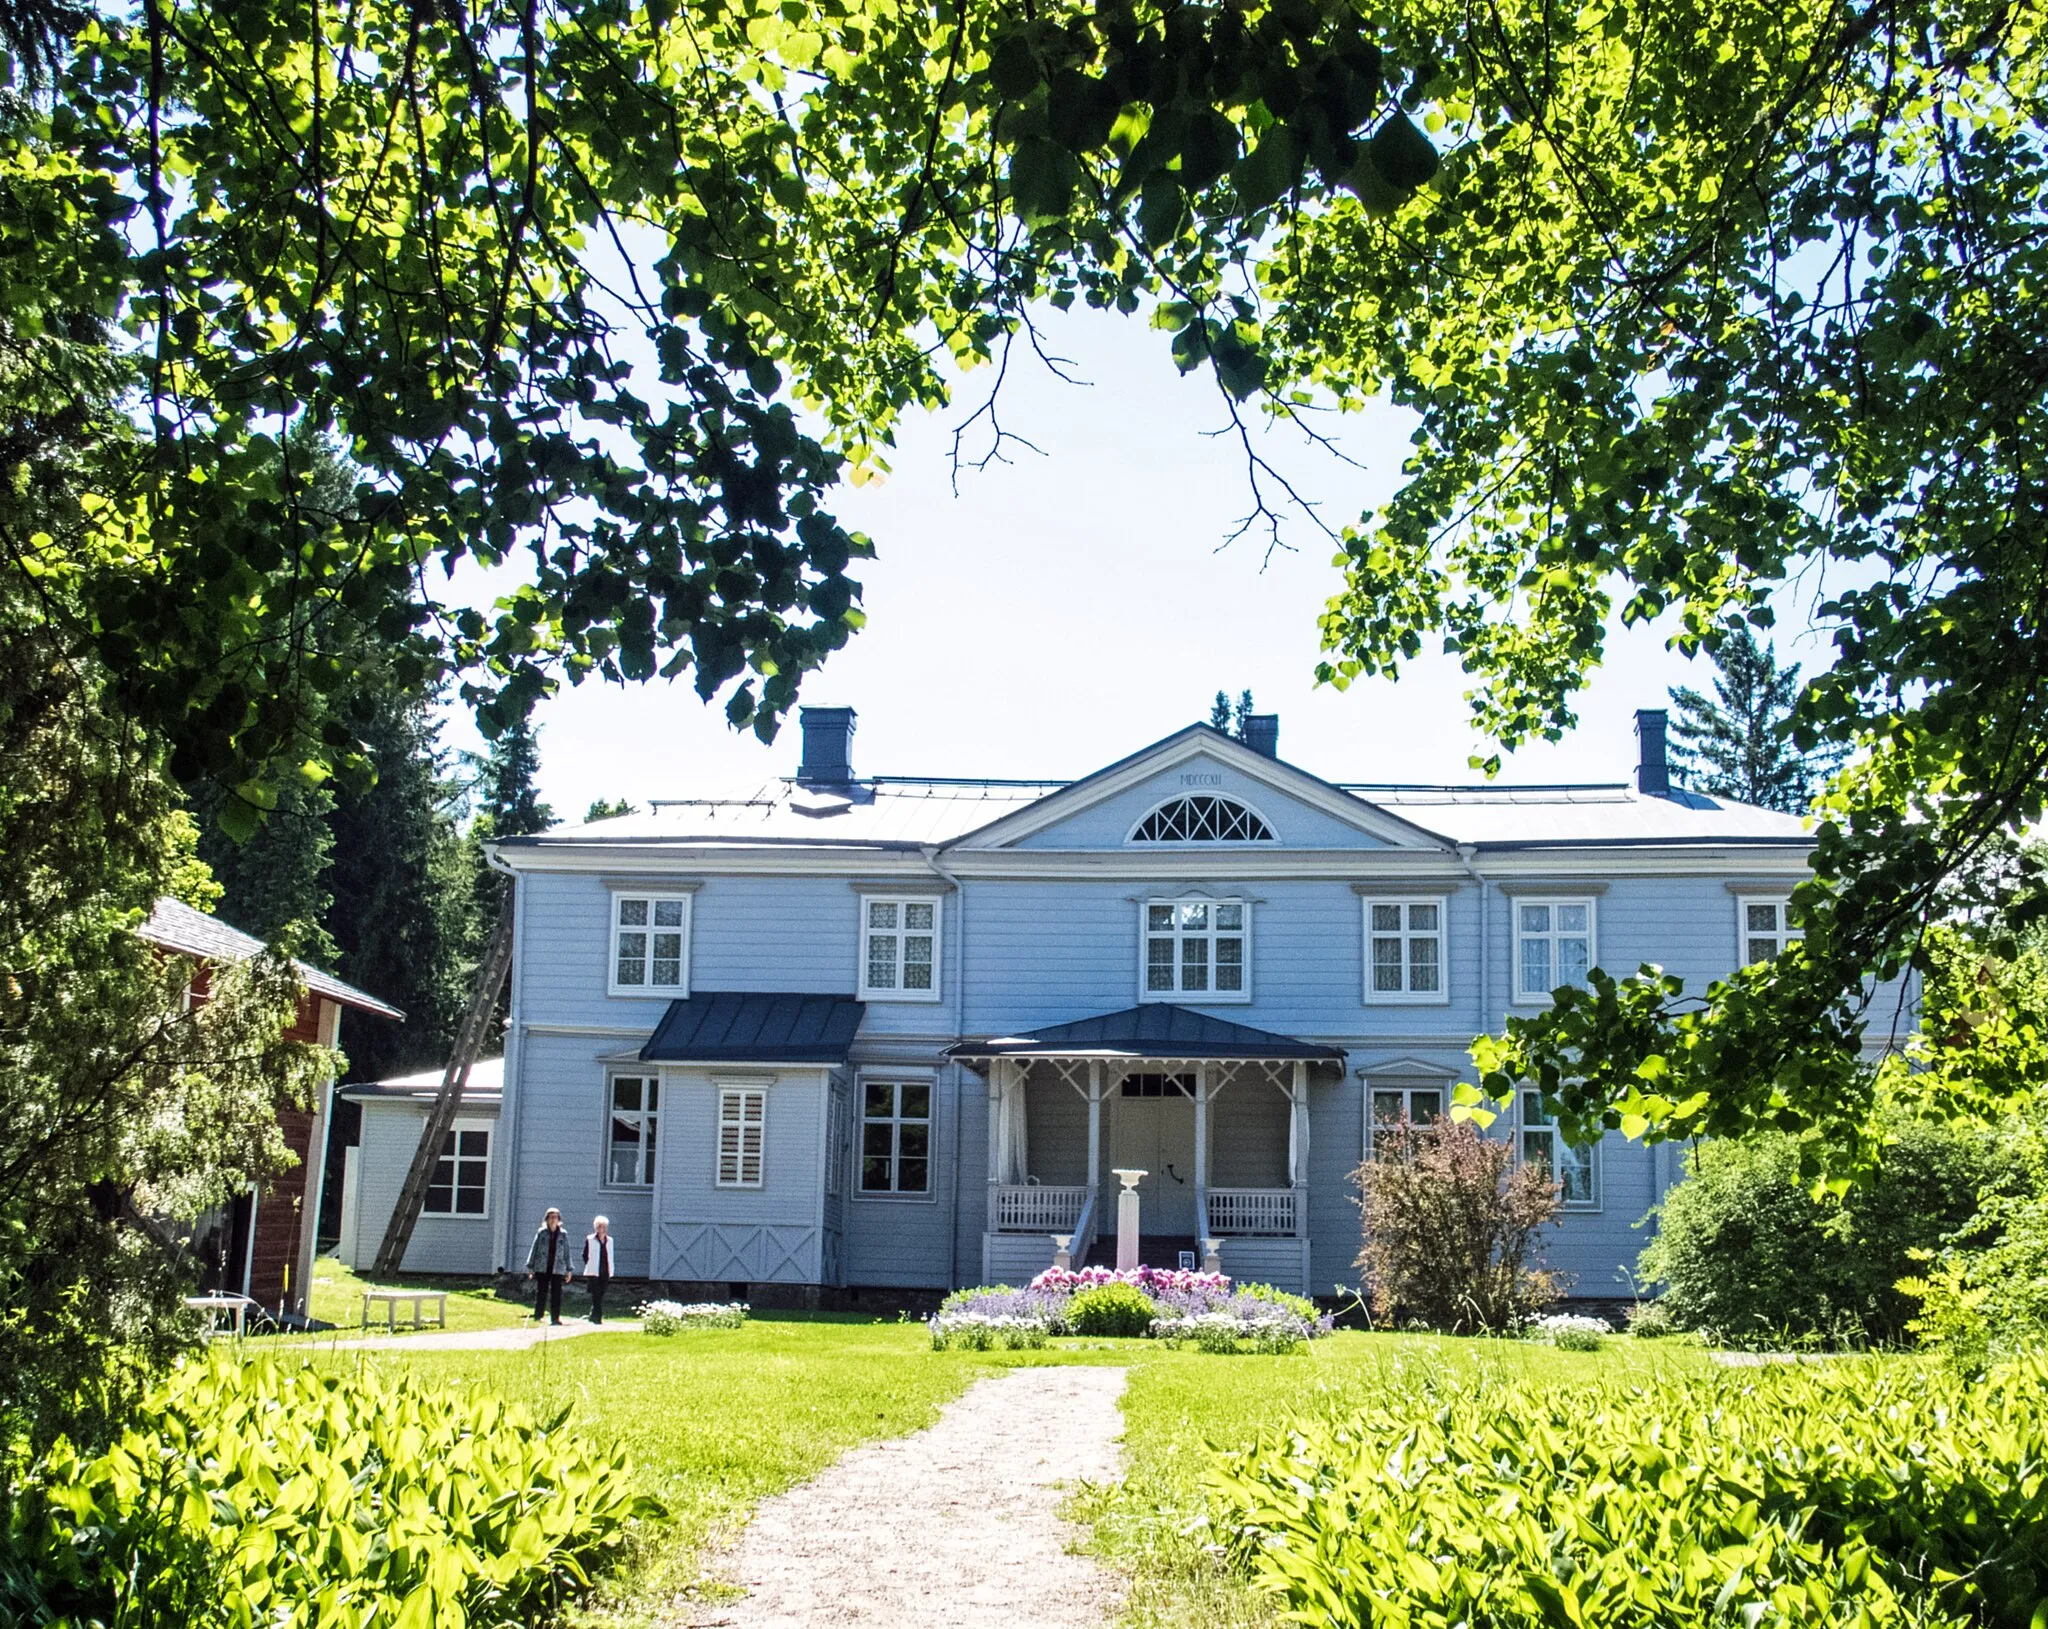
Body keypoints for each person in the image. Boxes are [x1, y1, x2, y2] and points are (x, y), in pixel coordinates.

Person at [524, 1206, 574, 1324]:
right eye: (551, 1217)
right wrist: (530, 1267)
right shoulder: (541, 1233)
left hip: (557, 1267)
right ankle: (538, 1315)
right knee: (541, 1292)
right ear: (546, 1219)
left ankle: (555, 1318)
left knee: (556, 1294)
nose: (553, 1220)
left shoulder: (563, 1234)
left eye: (555, 1217)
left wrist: (569, 1269)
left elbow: (567, 1252)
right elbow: (534, 1249)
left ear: (559, 1220)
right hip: (542, 1267)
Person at [583, 1215, 615, 1324]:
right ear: (596, 1227)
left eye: (605, 1226)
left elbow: (610, 1255)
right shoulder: (590, 1239)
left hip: (605, 1271)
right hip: (594, 1271)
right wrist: (589, 1264)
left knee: (601, 1294)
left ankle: (593, 1314)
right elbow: (584, 1254)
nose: (603, 1229)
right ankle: (598, 1317)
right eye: (600, 1226)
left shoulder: (610, 1240)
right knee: (596, 1294)